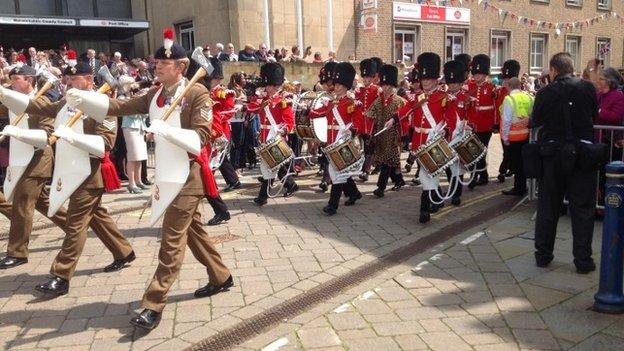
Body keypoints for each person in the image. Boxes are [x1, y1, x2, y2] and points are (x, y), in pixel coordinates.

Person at [67, 28, 233, 329]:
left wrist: (167, 131)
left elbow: (202, 137)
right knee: (193, 232)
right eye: (156, 62)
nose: (157, 65)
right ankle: (221, 276)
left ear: (181, 67)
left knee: (171, 242)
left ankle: (153, 303)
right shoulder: (156, 95)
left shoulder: (197, 92)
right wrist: (87, 100)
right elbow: (119, 107)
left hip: (187, 177)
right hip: (166, 176)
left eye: (164, 63)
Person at [0, 57, 136, 294]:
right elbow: (36, 106)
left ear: (89, 79)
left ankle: (61, 275)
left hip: (89, 174)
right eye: (68, 79)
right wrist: (5, 94)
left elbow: (106, 144)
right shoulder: (66, 102)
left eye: (75, 79)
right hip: (68, 171)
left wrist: (73, 137)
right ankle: (123, 251)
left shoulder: (103, 104)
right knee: (97, 217)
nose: (70, 83)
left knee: (75, 225)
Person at [531, 52, 600, 274]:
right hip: (581, 154)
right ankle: (583, 260)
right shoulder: (588, 88)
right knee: (582, 209)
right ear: (571, 68)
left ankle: (543, 255)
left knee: (548, 207)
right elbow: (593, 115)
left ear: (553, 70)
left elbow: (537, 119)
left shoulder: (545, 92)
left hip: (552, 154)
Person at [396, 52, 447, 223]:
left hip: (433, 141)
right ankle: (439, 198)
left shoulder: (443, 98)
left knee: (427, 175)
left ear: (436, 79)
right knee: (429, 173)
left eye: (428, 78)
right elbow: (405, 110)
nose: (425, 81)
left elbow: (451, 118)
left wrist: (445, 130)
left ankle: (424, 210)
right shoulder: (418, 98)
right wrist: (393, 119)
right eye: (423, 78)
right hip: (419, 140)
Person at [310, 62, 363, 215]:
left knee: (336, 173)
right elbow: (317, 113)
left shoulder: (351, 103)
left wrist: (352, 130)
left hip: (342, 141)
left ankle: (333, 205)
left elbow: (358, 121)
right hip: (331, 142)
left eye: (340, 84)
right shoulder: (331, 102)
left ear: (346, 86)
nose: (337, 87)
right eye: (336, 84)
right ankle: (354, 193)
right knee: (342, 171)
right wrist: (309, 110)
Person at [247, 62, 299, 205]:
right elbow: (251, 109)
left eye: (270, 85)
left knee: (269, 165)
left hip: (276, 136)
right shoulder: (262, 98)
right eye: (267, 85)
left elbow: (289, 121)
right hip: (264, 135)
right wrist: (258, 101)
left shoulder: (284, 99)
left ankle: (263, 196)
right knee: (272, 165)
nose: (267, 88)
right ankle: (290, 184)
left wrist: (282, 131)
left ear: (276, 85)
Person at [366, 64, 404, 197]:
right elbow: (369, 113)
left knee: (387, 161)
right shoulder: (378, 100)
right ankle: (399, 180)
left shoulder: (399, 101)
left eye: (389, 85)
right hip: (380, 135)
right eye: (384, 85)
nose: (386, 88)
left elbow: (404, 117)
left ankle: (380, 188)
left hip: (393, 136)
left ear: (393, 85)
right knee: (390, 161)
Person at [466, 54, 496, 189]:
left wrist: (495, 124)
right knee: (473, 151)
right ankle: (478, 176)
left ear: (485, 75)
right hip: (472, 125)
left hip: (485, 125)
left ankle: (479, 176)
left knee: (481, 151)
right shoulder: (469, 86)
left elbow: (495, 107)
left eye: (480, 74)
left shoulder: (491, 88)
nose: (477, 76)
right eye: (475, 74)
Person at [500, 77, 532, 196]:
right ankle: (522, 187)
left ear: (508, 86)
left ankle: (519, 188)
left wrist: (505, 137)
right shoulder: (528, 97)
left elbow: (507, 120)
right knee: (522, 163)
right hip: (526, 135)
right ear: (520, 86)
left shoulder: (509, 99)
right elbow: (531, 114)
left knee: (516, 164)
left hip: (513, 137)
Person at [355, 58, 380, 182]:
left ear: (372, 78)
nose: (365, 80)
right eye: (364, 78)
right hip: (362, 123)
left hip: (372, 123)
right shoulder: (360, 90)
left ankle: (365, 171)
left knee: (369, 147)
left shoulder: (376, 90)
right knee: (365, 147)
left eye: (367, 78)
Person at [496, 60, 521, 183]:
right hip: (504, 128)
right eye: (504, 79)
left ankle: (504, 170)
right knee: (507, 152)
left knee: (509, 153)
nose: (505, 81)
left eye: (508, 79)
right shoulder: (500, 92)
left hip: (515, 128)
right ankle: (507, 169)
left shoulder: (518, 93)